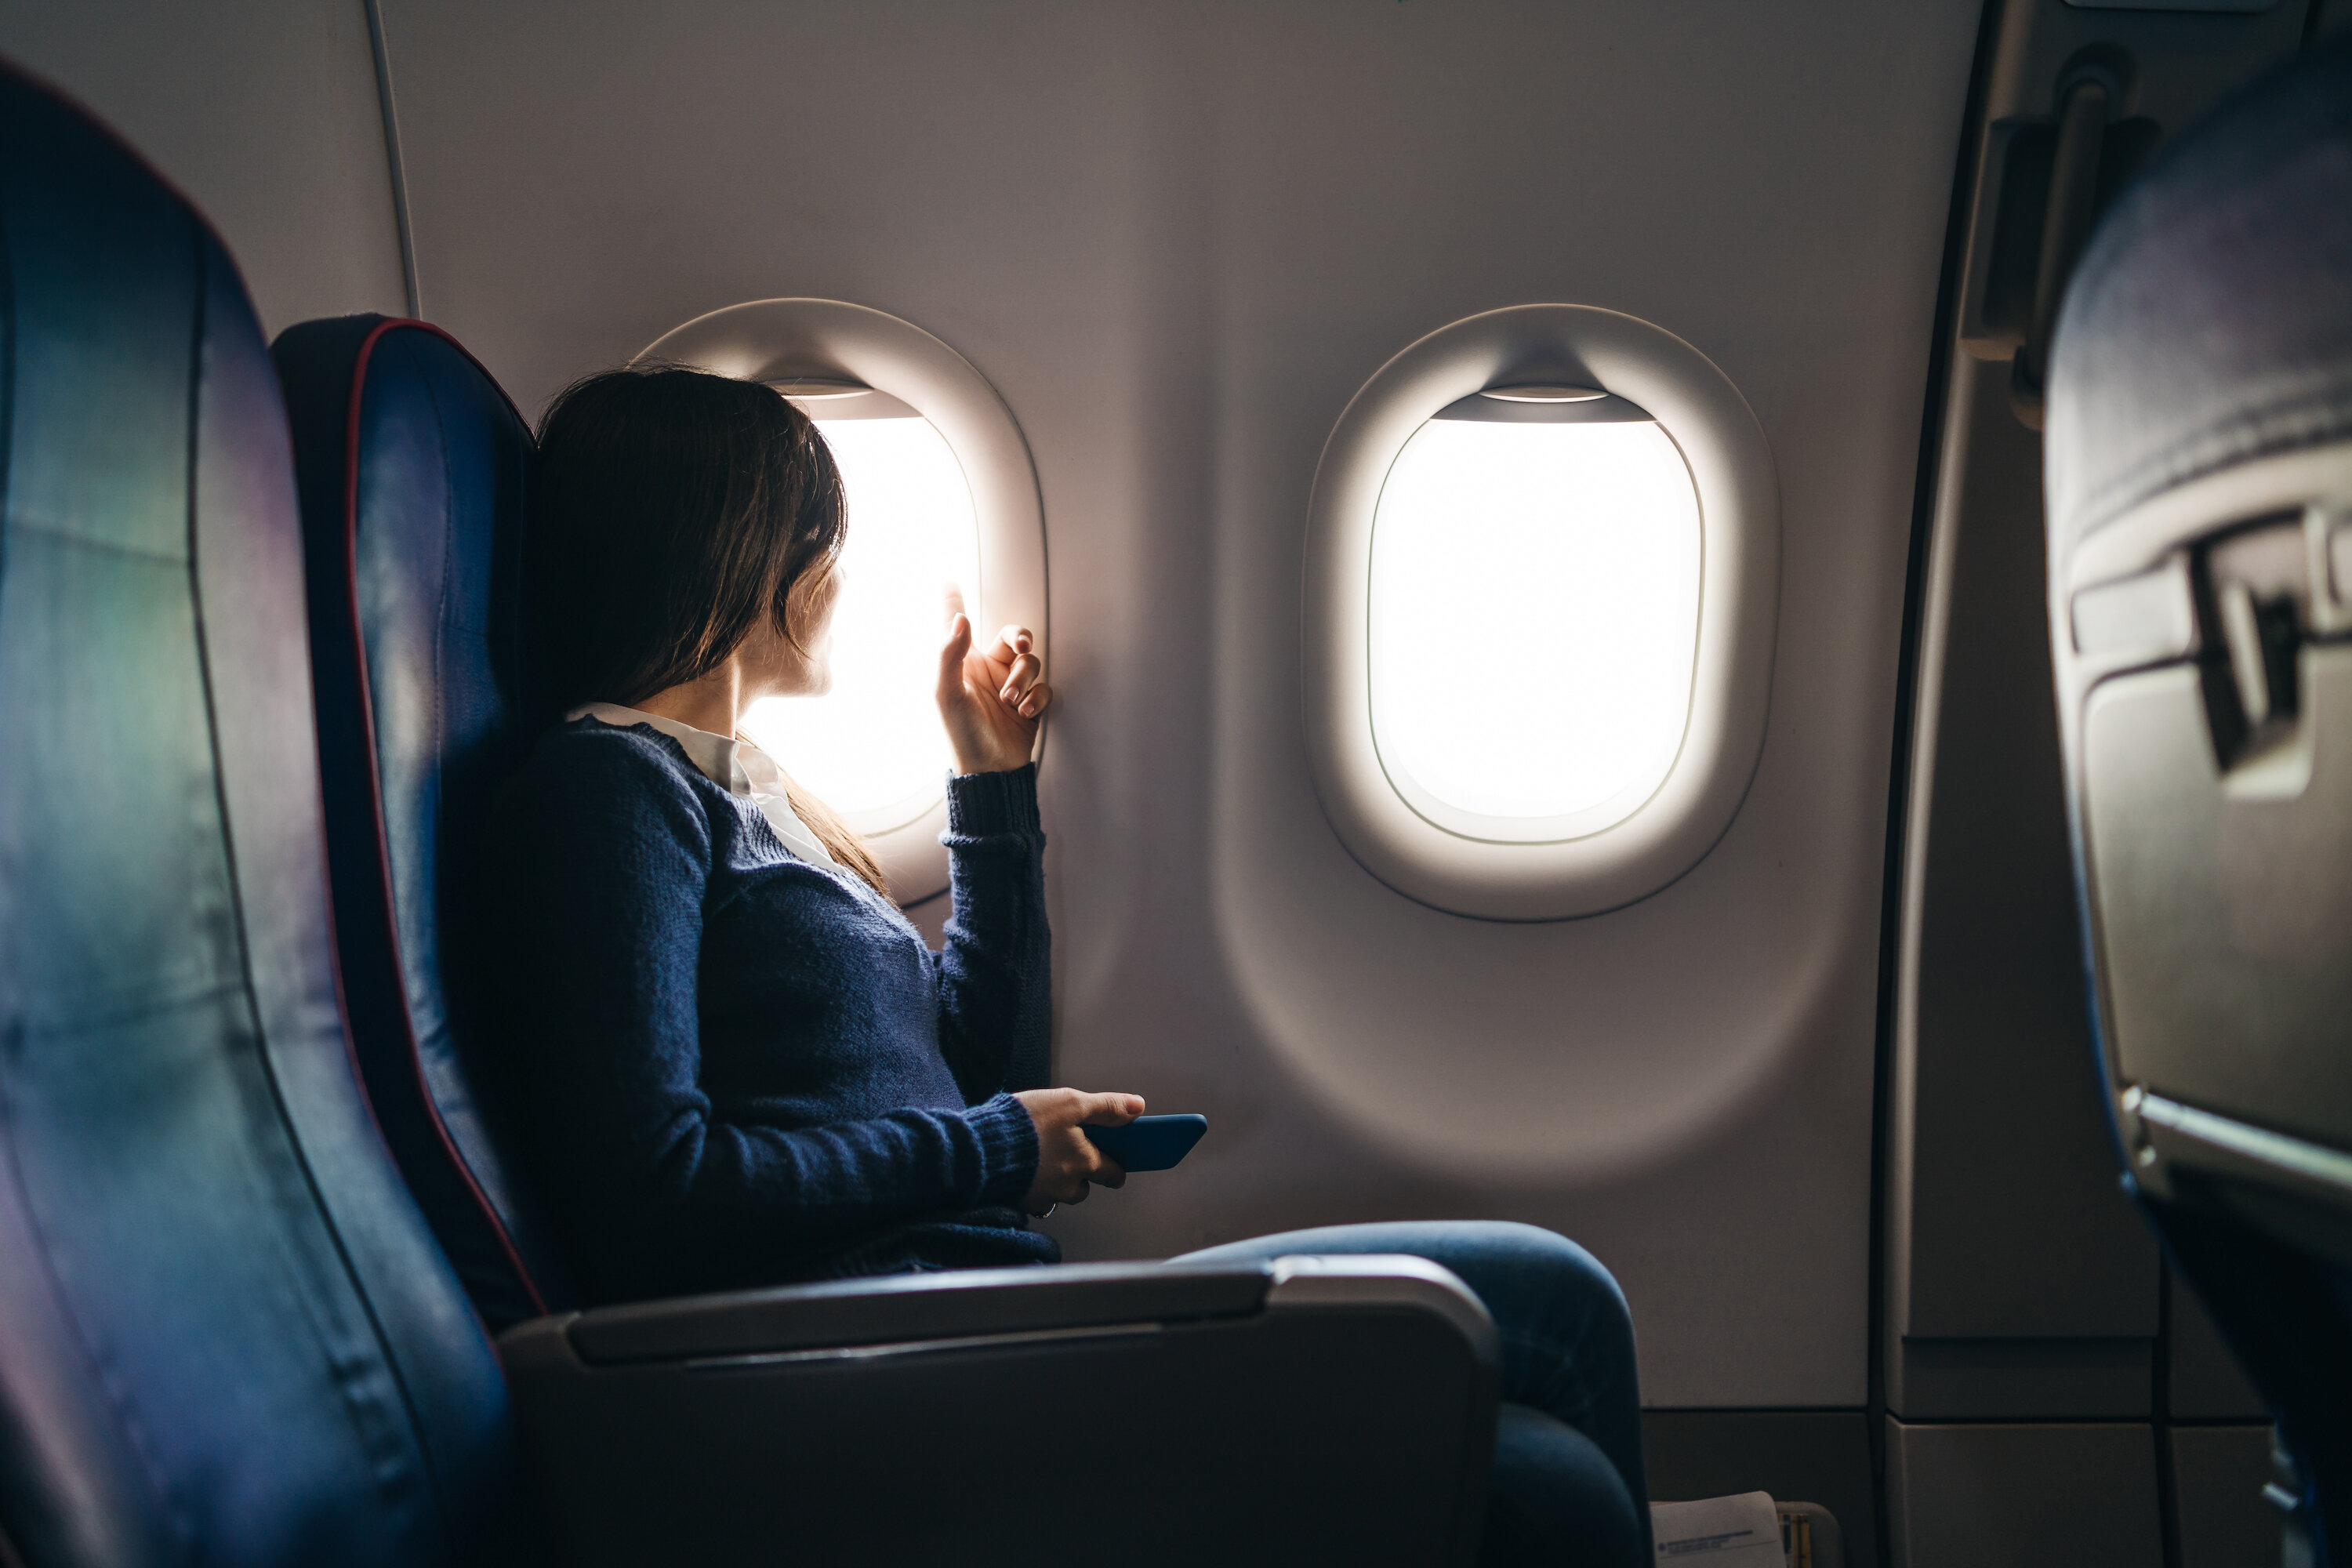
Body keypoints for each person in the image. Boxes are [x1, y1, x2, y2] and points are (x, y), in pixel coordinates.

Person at [490, 363, 1651, 1564]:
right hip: (869, 1373)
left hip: (966, 1316)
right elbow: (655, 1197)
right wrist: (1000, 1146)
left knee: (1546, 1401)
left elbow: (980, 1067)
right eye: (820, 536)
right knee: (1549, 1379)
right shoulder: (609, 793)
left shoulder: (757, 793)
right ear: (738, 554)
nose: (835, 576)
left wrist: (991, 784)